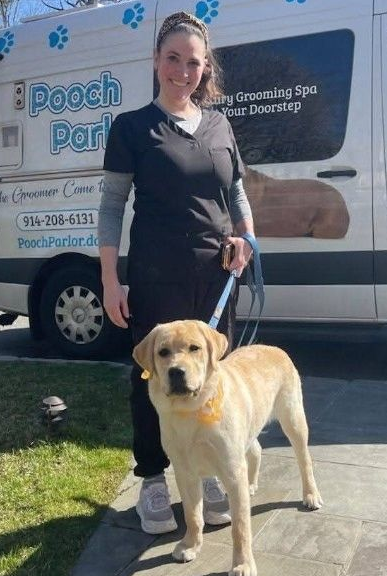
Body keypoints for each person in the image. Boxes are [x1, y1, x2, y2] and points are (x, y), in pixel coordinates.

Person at [97, 11, 255, 535]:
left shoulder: (219, 124)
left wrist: (246, 239)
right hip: (155, 275)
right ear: (156, 61)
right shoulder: (133, 128)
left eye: (193, 62)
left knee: (211, 378)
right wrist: (110, 279)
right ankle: (152, 479)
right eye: (173, 59)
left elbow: (235, 193)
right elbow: (112, 206)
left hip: (215, 275)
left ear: (204, 69)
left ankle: (209, 474)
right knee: (154, 379)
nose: (182, 71)